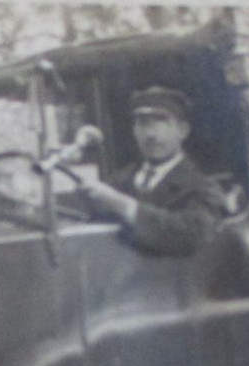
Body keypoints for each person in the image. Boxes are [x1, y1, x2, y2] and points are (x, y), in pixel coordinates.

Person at [79, 86, 226, 256]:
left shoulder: (203, 188)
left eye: (161, 121)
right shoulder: (118, 181)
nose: (150, 134)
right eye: (142, 123)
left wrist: (122, 204)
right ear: (134, 130)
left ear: (183, 130)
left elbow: (194, 236)